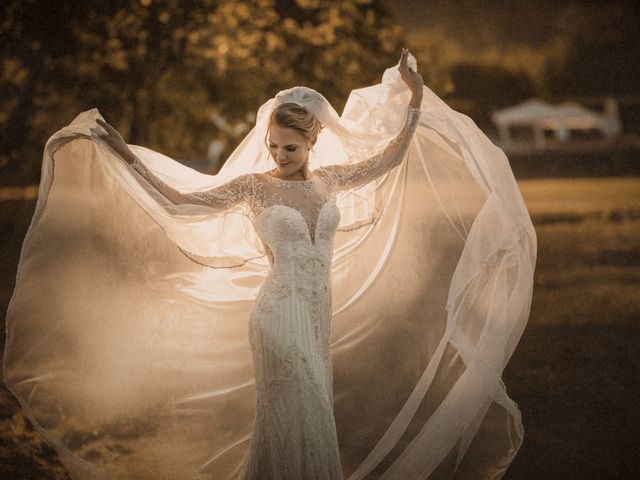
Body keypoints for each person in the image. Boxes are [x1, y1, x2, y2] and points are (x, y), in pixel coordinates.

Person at [3, 49, 536, 480]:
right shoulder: (253, 189)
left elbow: (392, 156)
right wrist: (123, 153)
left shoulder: (332, 181)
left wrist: (416, 100)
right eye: (274, 146)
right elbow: (178, 200)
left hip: (316, 312)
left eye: (290, 148)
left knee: (309, 409)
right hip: (277, 315)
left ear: (313, 142)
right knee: (299, 399)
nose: (279, 155)